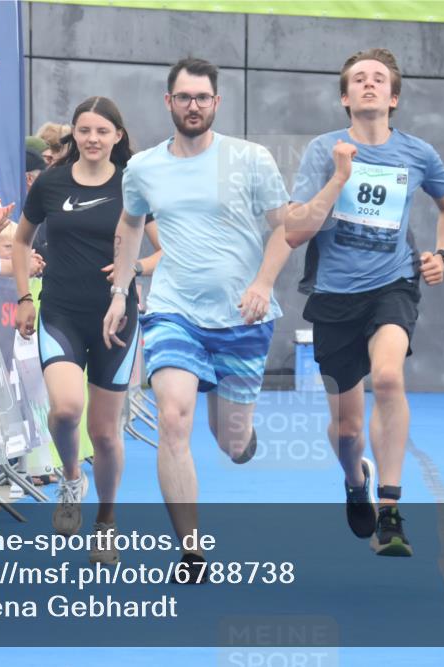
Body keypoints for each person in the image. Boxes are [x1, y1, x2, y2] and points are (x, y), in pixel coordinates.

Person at [103, 58, 301, 580]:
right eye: (184, 97)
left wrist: (262, 283)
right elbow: (129, 225)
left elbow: (286, 228)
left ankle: (242, 437)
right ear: (169, 102)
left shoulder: (250, 159)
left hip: (241, 316)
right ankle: (192, 552)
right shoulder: (143, 167)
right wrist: (122, 292)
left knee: (230, 443)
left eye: (203, 97)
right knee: (173, 417)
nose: (194, 105)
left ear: (216, 102)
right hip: (174, 310)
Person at [285, 49, 444, 557]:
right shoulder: (325, 150)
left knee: (388, 377)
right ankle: (353, 479)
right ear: (345, 97)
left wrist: (443, 255)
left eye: (378, 79)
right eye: (358, 79)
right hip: (335, 296)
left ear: (393, 97)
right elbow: (296, 230)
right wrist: (340, 177)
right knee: (346, 429)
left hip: (394, 285)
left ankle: (390, 509)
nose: (368, 85)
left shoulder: (418, 154)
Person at [14, 96, 161, 565]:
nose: (92, 139)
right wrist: (21, 296)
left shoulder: (133, 185)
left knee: (105, 433)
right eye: (84, 130)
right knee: (64, 409)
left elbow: (169, 249)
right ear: (73, 135)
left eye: (102, 131)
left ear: (118, 136)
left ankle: (106, 522)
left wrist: (132, 267)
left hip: (115, 320)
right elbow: (20, 240)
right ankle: (71, 479)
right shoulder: (52, 183)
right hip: (60, 312)